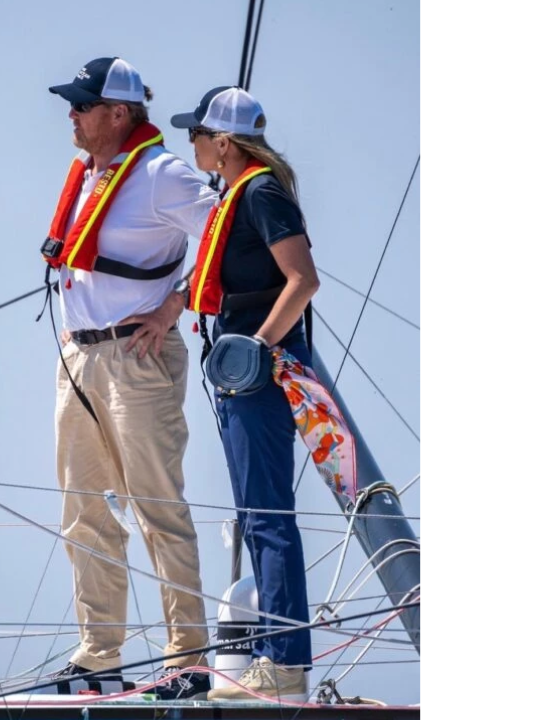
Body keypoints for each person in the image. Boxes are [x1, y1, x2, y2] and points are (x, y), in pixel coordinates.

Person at [40, 57, 218, 700]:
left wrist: (175, 305)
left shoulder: (162, 174)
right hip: (81, 358)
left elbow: (227, 235)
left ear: (120, 113)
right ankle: (98, 656)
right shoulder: (91, 173)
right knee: (82, 511)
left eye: (83, 104)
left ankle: (188, 657)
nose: (72, 114)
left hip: (137, 359)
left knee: (156, 505)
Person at [168, 86, 320, 701]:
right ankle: (273, 656)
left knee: (268, 515)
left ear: (223, 143)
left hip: (258, 372)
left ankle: (282, 664)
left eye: (197, 135)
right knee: (259, 514)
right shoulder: (243, 191)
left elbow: (302, 279)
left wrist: (256, 347)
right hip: (245, 372)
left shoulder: (258, 191)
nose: (193, 144)